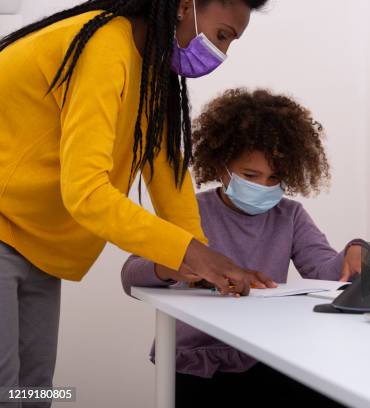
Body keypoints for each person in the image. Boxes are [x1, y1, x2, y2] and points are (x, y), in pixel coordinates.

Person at [0, 0, 268, 401]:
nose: (221, 54)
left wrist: (203, 265)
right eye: (222, 36)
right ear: (183, 7)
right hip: (6, 228)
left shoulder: (147, 69)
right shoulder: (105, 46)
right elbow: (87, 194)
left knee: (34, 393)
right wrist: (191, 254)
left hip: (34, 244)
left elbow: (166, 175)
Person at [121, 88, 367, 407]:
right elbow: (130, 275)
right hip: (195, 361)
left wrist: (353, 251)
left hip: (262, 353)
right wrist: (174, 264)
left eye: (273, 178)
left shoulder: (290, 216)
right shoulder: (190, 211)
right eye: (251, 175)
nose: (263, 187)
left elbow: (324, 271)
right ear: (222, 165)